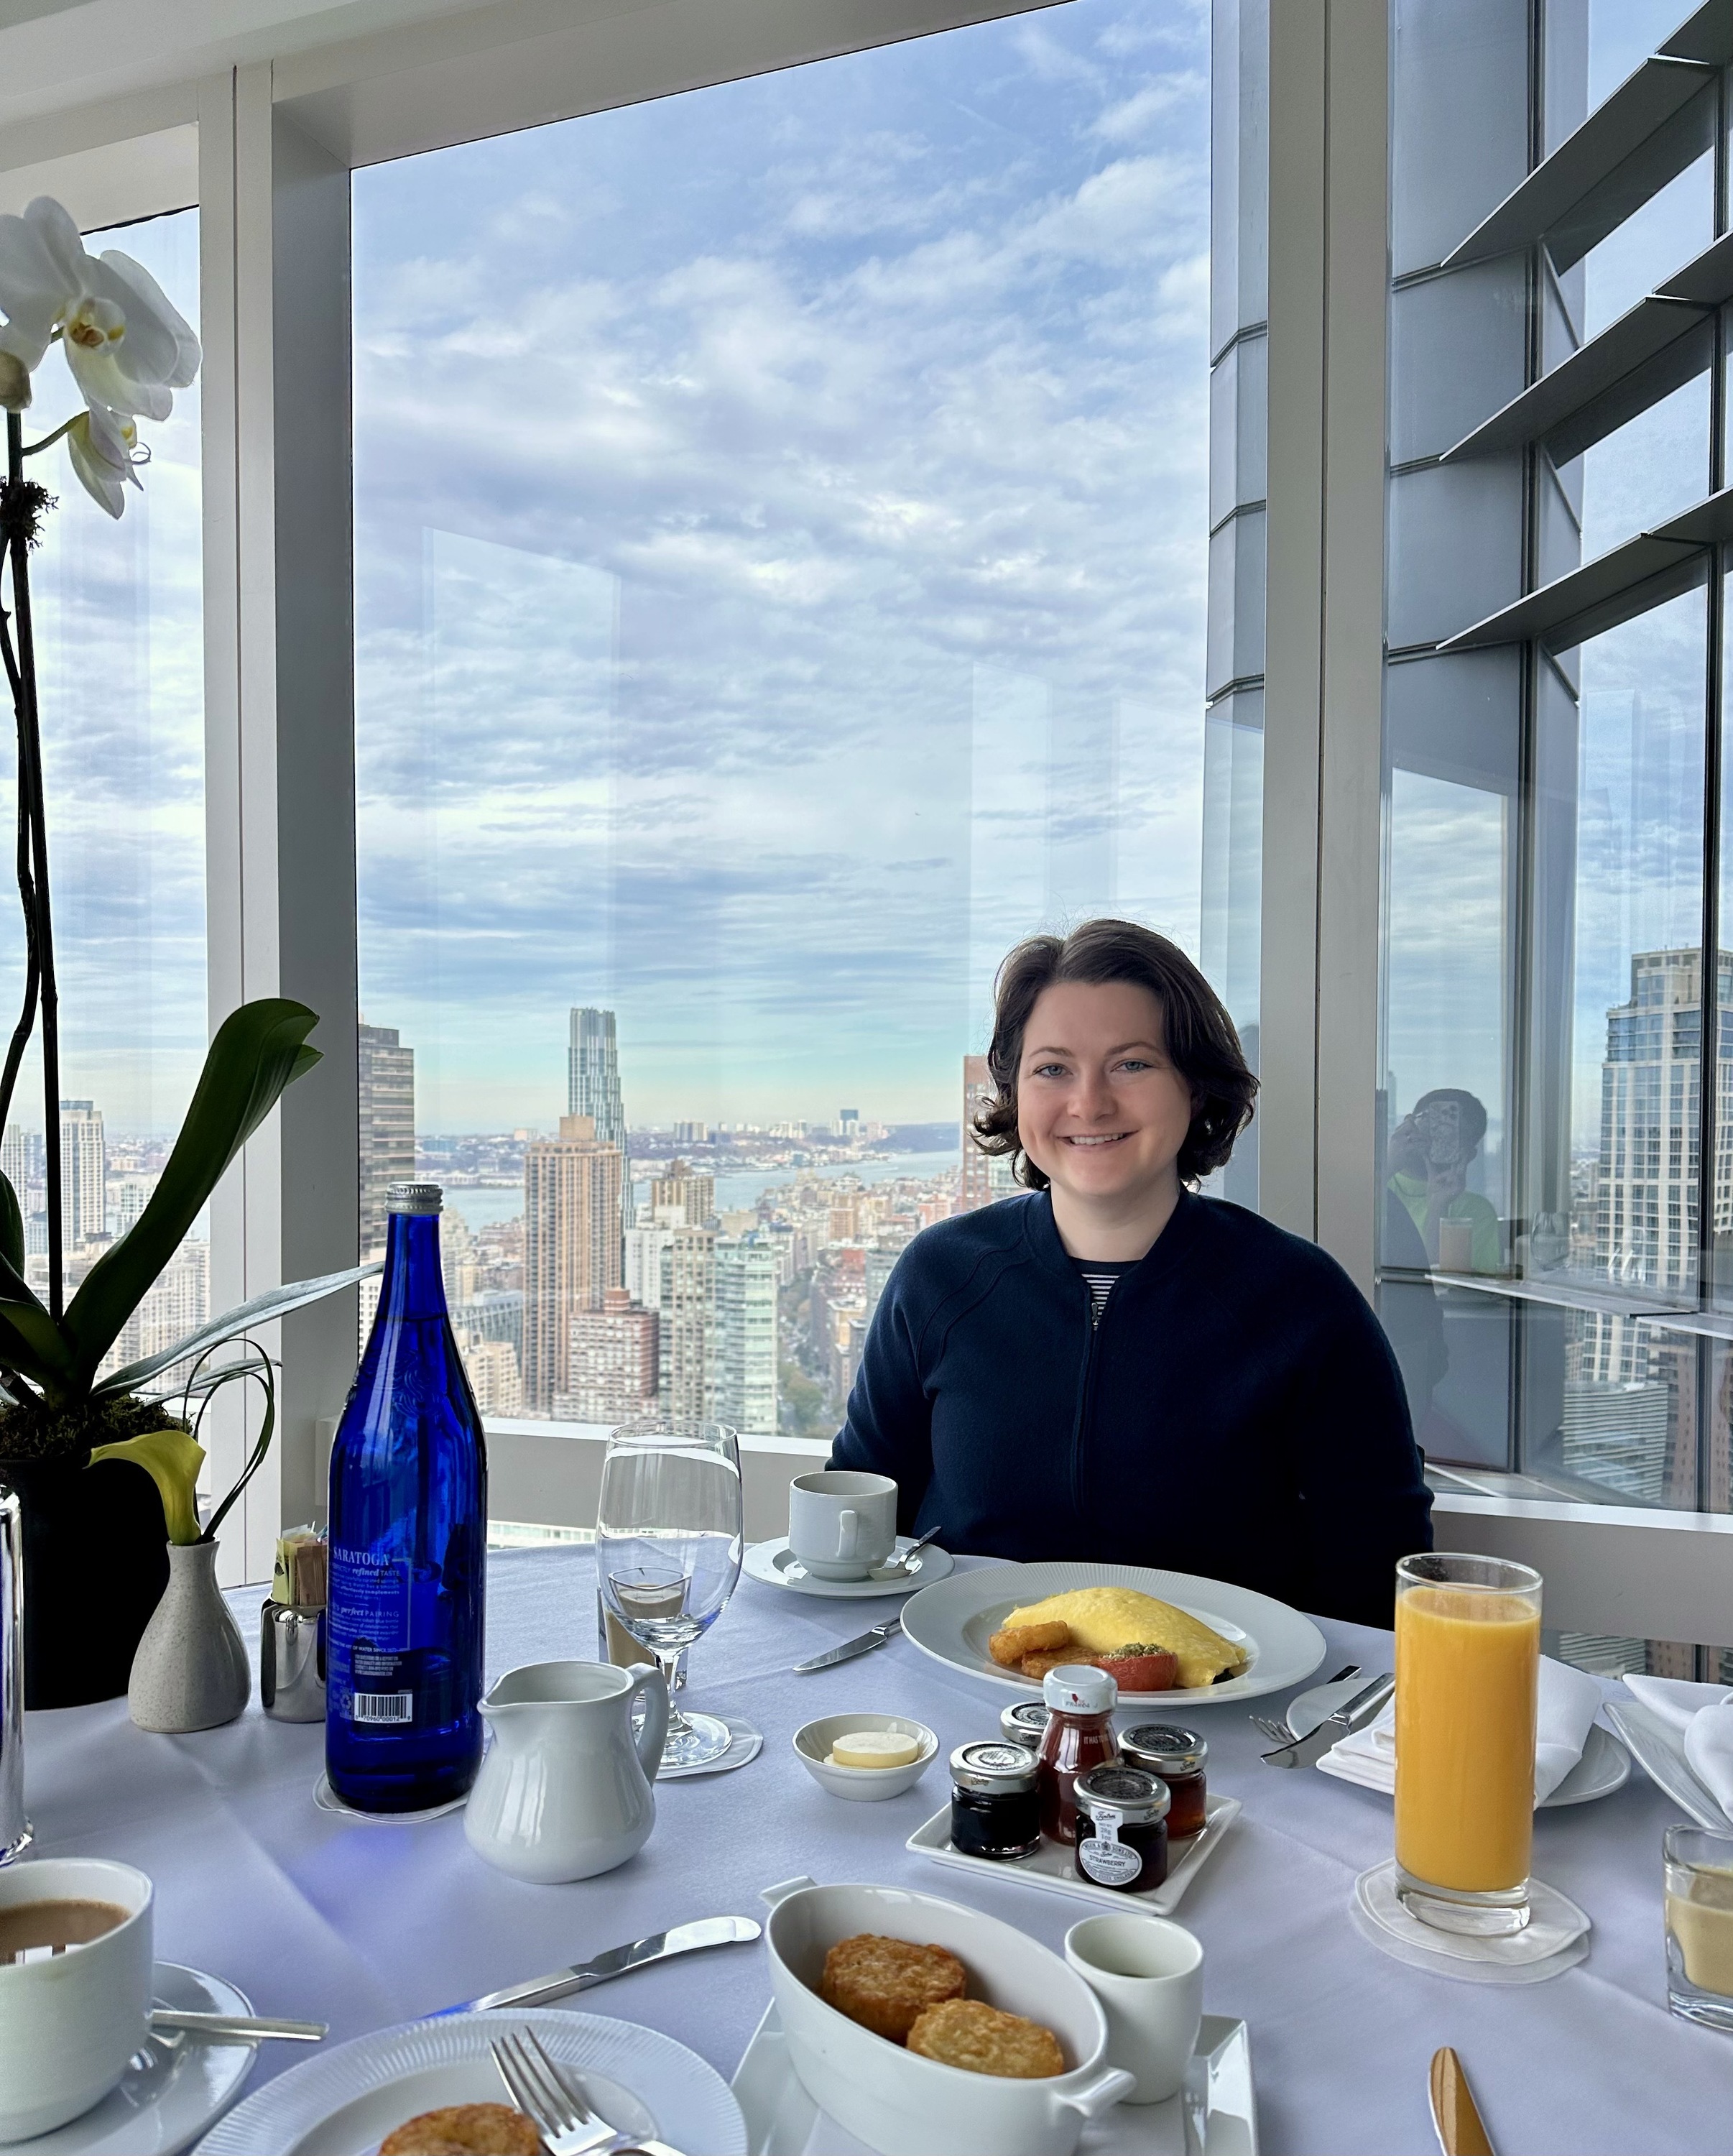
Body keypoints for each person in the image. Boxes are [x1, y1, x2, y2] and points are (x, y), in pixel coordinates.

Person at [829, 919, 1432, 1626]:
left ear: (1195, 1088)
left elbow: (1378, 1566)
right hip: (958, 1673)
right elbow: (855, 1515)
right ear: (1014, 1093)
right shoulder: (940, 1275)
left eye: (1133, 1064)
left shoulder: (1301, 1299)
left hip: (1225, 1689)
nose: (1089, 1103)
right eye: (1052, 1069)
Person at [1385, 1089, 1501, 1273]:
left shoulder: (1476, 1212)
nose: (1435, 1138)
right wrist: (1387, 1166)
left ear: (1469, 1155)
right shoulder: (1378, 1187)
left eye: (1452, 1134)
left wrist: (1438, 1207)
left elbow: (1435, 1283)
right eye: (1431, 1122)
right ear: (1409, 1123)